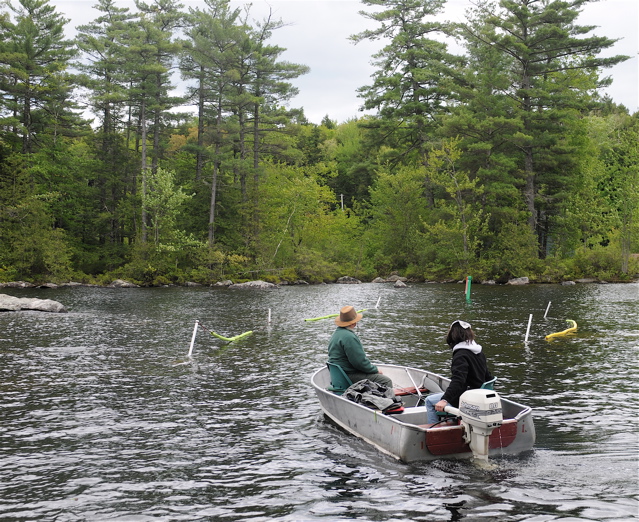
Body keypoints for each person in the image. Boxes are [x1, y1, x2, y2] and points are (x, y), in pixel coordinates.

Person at [425, 320, 493, 425]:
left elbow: (458, 381)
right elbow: (488, 377)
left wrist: (444, 400)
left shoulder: (460, 355)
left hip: (467, 399)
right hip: (479, 397)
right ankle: (453, 422)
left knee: (429, 401)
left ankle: (434, 432)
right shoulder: (479, 352)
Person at [327, 305, 393, 389]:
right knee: (385, 381)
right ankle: (386, 402)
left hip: (339, 376)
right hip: (348, 376)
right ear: (353, 323)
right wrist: (375, 370)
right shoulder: (349, 337)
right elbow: (360, 363)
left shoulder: (336, 334)